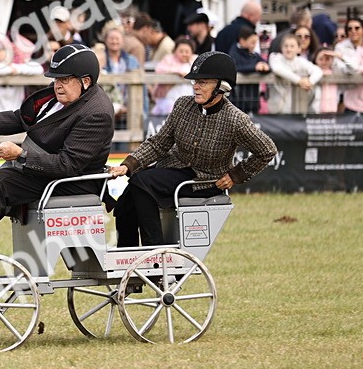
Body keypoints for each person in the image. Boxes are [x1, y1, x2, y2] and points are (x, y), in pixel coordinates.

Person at [0, 44, 115, 258]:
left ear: (85, 81)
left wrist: (20, 155)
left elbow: (68, 165)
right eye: (55, 79)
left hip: (74, 182)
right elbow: (19, 118)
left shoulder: (97, 114)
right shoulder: (62, 96)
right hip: (45, 170)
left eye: (64, 80)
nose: (57, 85)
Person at [109, 51, 277, 247]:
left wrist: (236, 175)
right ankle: (126, 255)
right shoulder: (182, 105)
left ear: (222, 87)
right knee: (125, 201)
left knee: (142, 181)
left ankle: (154, 254)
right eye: (194, 82)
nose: (196, 86)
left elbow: (267, 150)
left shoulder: (235, 119)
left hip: (204, 181)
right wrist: (128, 164)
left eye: (203, 82)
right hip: (174, 170)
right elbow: (159, 142)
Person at [267, 32, 322, 114]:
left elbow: (318, 70)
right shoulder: (275, 57)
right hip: (277, 107)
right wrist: (299, 81)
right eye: (286, 46)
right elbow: (277, 69)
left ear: (299, 49)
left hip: (296, 109)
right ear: (281, 48)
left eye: (292, 46)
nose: (288, 49)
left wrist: (310, 82)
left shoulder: (300, 61)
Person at [228, 24, 269, 114]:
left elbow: (265, 64)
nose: (254, 45)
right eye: (252, 42)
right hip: (238, 100)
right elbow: (236, 67)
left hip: (253, 100)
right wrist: (254, 67)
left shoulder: (254, 54)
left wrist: (265, 66)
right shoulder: (234, 53)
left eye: (255, 42)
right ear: (242, 41)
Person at [151, 36, 197, 114]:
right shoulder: (169, 59)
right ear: (175, 51)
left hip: (190, 98)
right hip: (169, 98)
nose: (184, 54)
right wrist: (176, 72)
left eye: (187, 51)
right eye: (181, 51)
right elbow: (159, 69)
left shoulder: (194, 60)